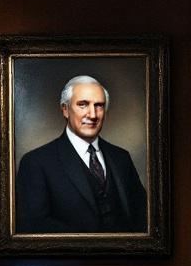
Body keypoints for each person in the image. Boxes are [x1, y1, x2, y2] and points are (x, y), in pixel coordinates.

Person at [15, 75, 148, 233]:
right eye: (83, 105)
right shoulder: (36, 162)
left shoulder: (121, 157)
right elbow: (33, 227)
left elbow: (143, 216)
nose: (92, 115)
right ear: (65, 109)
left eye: (99, 105)